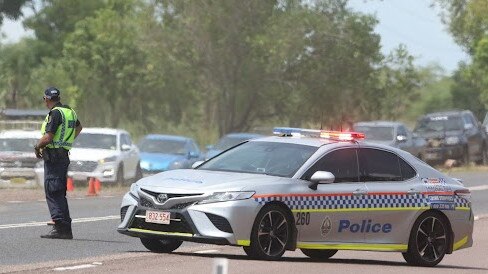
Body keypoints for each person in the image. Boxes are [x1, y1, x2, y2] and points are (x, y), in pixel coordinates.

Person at [35, 87, 82, 239]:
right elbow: (79, 128)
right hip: (62, 156)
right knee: (59, 191)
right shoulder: (70, 111)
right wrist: (66, 142)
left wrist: (37, 146)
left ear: (47, 99)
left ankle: (61, 228)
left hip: (54, 157)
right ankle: (65, 228)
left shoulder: (55, 113)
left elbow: (48, 137)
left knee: (53, 191)